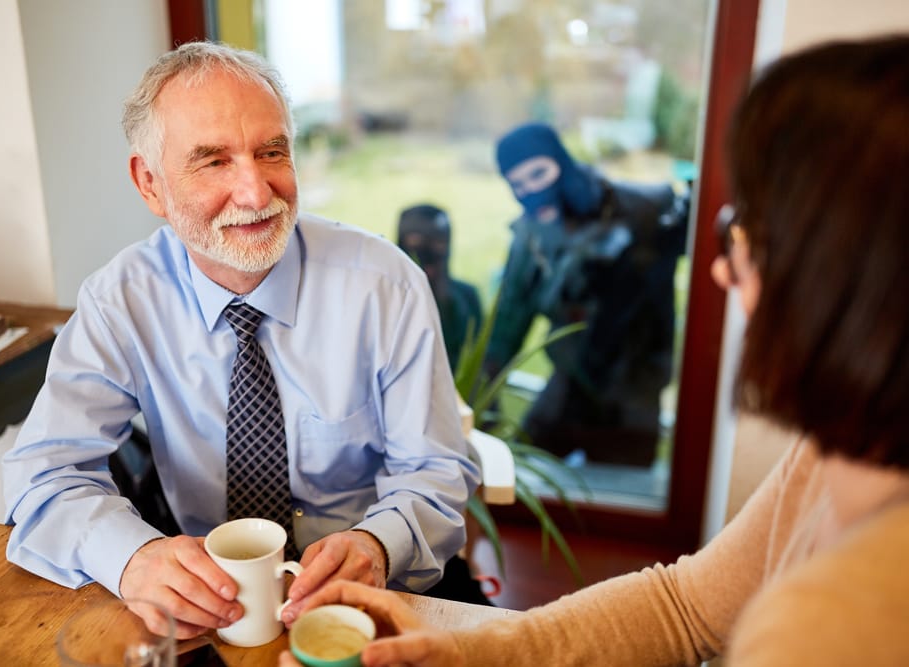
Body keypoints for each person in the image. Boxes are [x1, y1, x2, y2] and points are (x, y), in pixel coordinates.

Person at [280, 34, 909, 666]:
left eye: (743, 229)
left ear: (843, 273)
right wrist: (475, 654)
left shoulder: (832, 623)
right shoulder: (824, 461)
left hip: (633, 378)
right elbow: (685, 607)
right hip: (573, 378)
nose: (723, 268)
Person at [1, 42, 479, 639]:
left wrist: (377, 546)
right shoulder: (120, 299)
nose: (257, 194)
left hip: (373, 592)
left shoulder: (386, 285)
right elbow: (44, 474)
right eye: (213, 161)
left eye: (272, 151)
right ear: (149, 184)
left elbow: (434, 469)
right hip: (209, 600)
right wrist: (131, 558)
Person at [485, 122, 688, 466]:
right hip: (569, 383)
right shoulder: (532, 239)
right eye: (517, 184)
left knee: (621, 495)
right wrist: (478, 409)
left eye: (538, 174)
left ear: (561, 162)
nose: (532, 191)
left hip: (633, 393)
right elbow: (507, 324)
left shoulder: (643, 213)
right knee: (526, 470)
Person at [397, 204, 484, 372]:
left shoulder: (465, 297)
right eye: (416, 242)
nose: (427, 254)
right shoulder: (386, 300)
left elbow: (478, 363)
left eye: (437, 243)